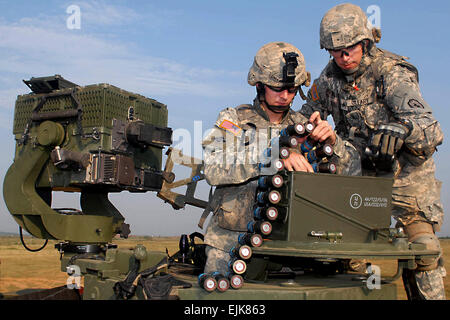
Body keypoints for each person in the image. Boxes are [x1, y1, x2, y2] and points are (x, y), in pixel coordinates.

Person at [300, 3, 445, 300]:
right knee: (342, 247)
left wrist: (403, 129)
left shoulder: (391, 73)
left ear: (365, 41)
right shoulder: (328, 79)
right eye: (335, 51)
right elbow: (302, 118)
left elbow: (431, 130)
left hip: (405, 174)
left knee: (423, 252)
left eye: (349, 49)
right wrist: (302, 131)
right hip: (359, 174)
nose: (343, 57)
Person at [200, 41, 361, 276]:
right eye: (278, 88)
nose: (285, 96)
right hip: (231, 244)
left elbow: (354, 174)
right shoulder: (234, 120)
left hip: (294, 247)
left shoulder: (303, 127)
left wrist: (333, 143)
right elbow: (213, 168)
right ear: (259, 84)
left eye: (293, 89)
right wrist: (274, 154)